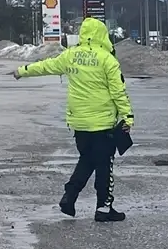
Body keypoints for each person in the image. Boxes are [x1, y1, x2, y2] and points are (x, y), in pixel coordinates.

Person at [13, 17, 134, 221]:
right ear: (102, 35)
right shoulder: (107, 59)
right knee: (104, 164)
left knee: (87, 159)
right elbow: (118, 91)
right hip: (103, 123)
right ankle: (103, 207)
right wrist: (127, 116)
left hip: (79, 123)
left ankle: (70, 196)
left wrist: (22, 71)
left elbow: (46, 66)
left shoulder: (71, 55)